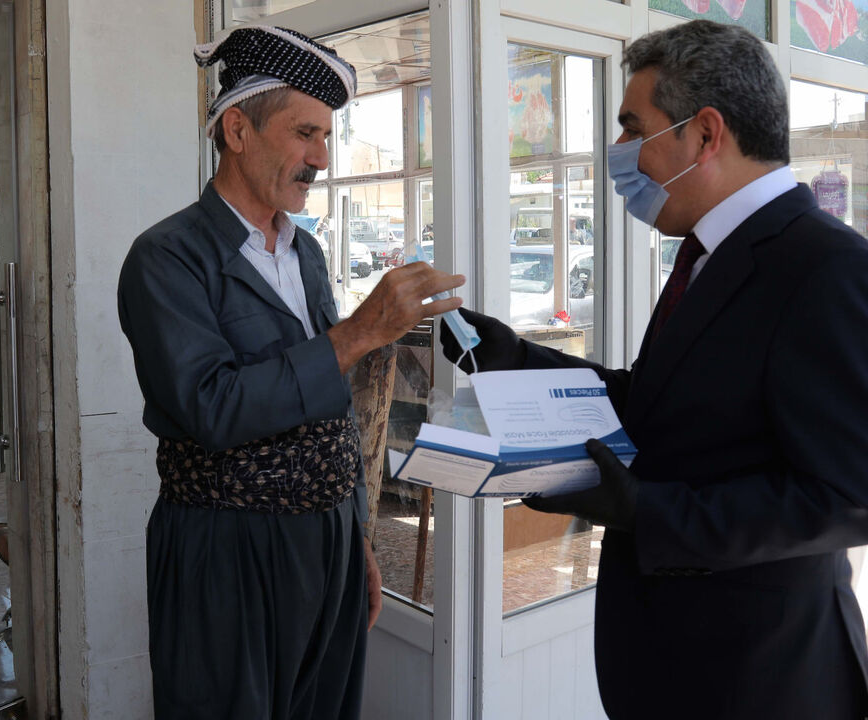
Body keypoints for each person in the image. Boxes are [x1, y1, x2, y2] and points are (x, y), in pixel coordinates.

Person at [439, 20, 868, 719]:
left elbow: (851, 494)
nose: (618, 153)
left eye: (631, 129)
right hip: (677, 667)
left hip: (759, 679)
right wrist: (515, 359)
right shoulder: (707, 256)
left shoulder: (826, 267)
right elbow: (658, 402)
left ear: (704, 134)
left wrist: (652, 513)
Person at [118, 26, 465, 720]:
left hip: (327, 540)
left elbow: (331, 409)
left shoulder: (301, 252)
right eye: (306, 134)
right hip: (229, 550)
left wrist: (356, 532)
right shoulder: (166, 259)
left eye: (328, 138)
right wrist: (363, 331)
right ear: (237, 129)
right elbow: (212, 408)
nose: (322, 159)